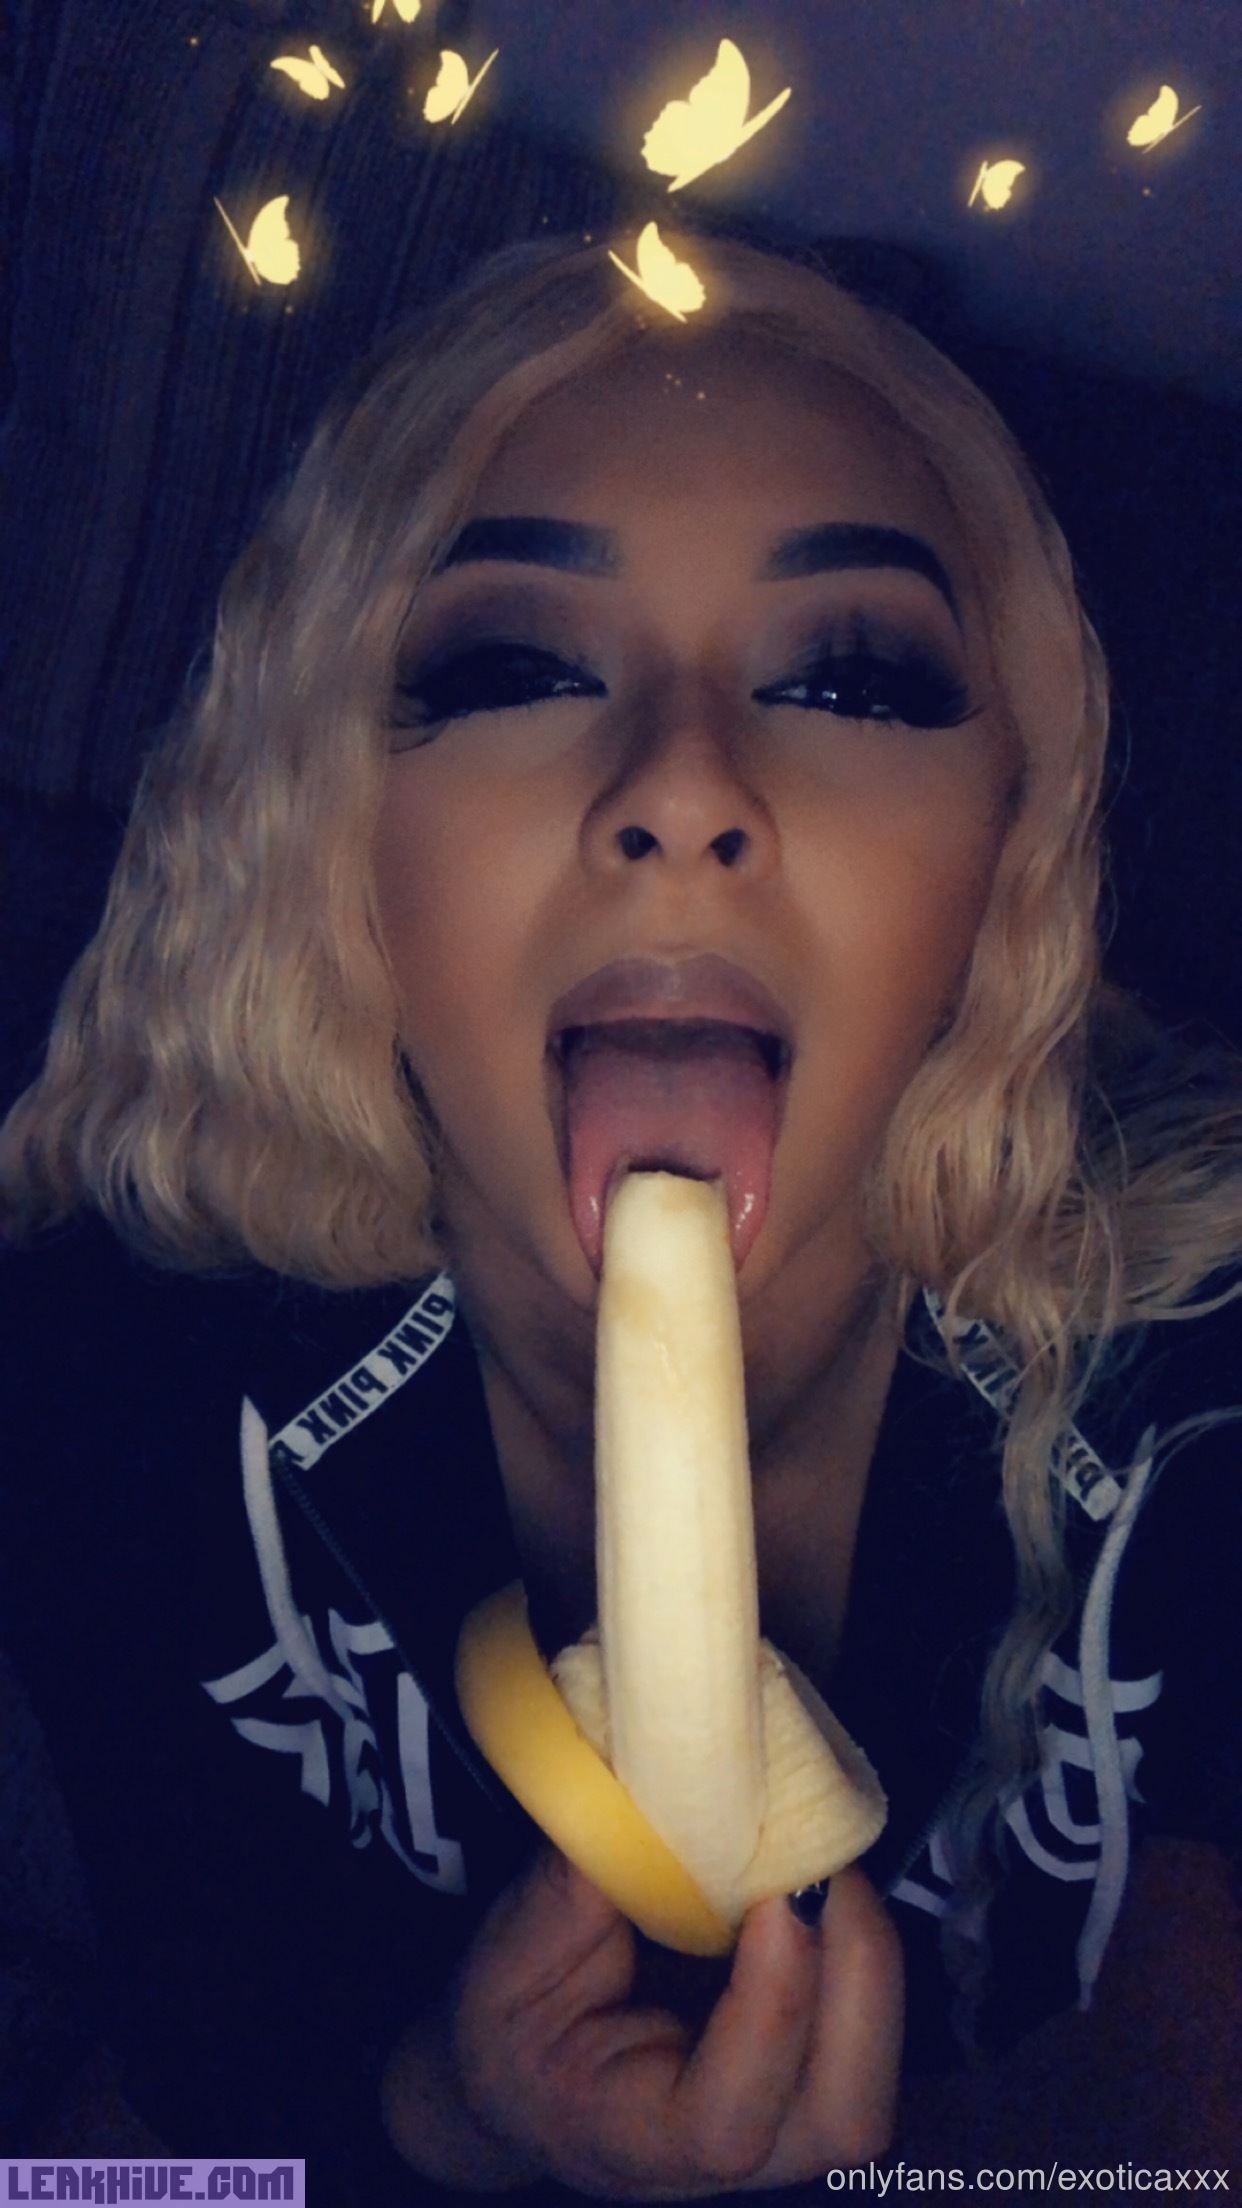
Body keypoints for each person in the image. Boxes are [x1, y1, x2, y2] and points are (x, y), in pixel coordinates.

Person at [1, 233, 1239, 2199]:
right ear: (327, 825)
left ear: (1009, 847)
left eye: (848, 673)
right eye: (511, 665)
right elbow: (119, 2175)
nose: (682, 785)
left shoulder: (1195, 1398)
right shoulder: (126, 1390)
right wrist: (436, 2114)